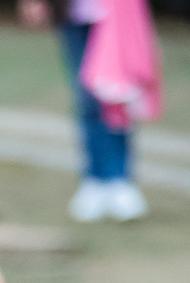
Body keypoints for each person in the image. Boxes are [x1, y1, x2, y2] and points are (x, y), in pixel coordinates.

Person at [18, 0, 159, 222]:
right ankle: (95, 178)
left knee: (115, 95)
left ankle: (119, 178)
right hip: (75, 15)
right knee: (88, 99)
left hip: (117, 14)